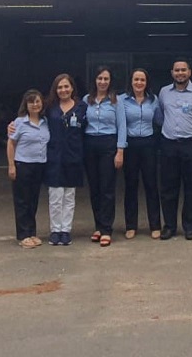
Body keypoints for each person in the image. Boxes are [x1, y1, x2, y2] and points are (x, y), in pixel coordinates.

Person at [156, 59, 192, 241]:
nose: (180, 73)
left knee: (191, 187)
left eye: (183, 70)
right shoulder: (164, 92)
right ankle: (169, 226)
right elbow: (159, 116)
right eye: (177, 70)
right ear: (172, 72)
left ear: (189, 72)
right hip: (169, 144)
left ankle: (190, 226)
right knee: (168, 188)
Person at [83, 66, 126, 248]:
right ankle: (98, 227)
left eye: (106, 79)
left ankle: (107, 229)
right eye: (100, 78)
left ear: (110, 81)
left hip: (109, 145)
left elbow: (122, 126)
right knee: (94, 188)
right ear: (95, 80)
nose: (102, 82)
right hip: (90, 144)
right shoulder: (87, 100)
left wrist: (120, 150)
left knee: (107, 188)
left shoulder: (116, 101)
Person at [43, 74, 87, 246]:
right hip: (54, 156)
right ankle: (55, 230)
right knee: (55, 195)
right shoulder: (49, 107)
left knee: (69, 195)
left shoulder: (81, 107)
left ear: (72, 88)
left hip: (73, 156)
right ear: (55, 90)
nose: (63, 90)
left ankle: (65, 230)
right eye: (60, 87)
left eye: (66, 86)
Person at [118, 68, 162, 240]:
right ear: (131, 81)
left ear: (146, 82)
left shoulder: (154, 99)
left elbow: (159, 120)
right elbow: (120, 124)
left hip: (149, 144)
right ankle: (131, 225)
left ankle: (155, 225)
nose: (139, 83)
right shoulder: (122, 100)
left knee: (151, 185)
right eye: (136, 79)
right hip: (130, 144)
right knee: (131, 186)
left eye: (142, 80)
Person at [7, 89, 49, 249]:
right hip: (22, 165)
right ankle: (23, 235)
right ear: (26, 104)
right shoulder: (18, 123)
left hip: (39, 165)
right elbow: (11, 144)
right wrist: (11, 165)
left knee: (33, 201)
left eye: (38, 101)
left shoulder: (45, 122)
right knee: (22, 201)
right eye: (31, 102)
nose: (35, 104)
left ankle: (32, 232)